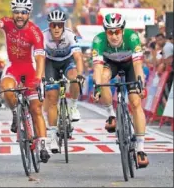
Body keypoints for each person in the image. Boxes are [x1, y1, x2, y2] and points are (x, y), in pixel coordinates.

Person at [0, 0, 49, 163]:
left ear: (28, 14)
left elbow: (41, 58)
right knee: (5, 88)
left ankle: (43, 144)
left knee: (36, 110)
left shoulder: (35, 32)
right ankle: (15, 113)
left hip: (30, 69)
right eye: (16, 12)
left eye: (23, 12)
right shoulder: (8, 23)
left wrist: (38, 78)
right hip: (13, 66)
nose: (19, 15)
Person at [92, 13, 149, 168]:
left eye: (117, 31)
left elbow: (138, 65)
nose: (114, 35)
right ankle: (111, 114)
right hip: (111, 64)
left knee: (135, 102)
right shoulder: (98, 40)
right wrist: (97, 86)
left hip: (130, 65)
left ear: (123, 30)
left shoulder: (132, 37)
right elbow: (97, 68)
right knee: (103, 78)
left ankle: (141, 148)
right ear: (105, 32)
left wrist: (140, 84)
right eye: (110, 32)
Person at [42, 10, 84, 153]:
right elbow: (39, 59)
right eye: (54, 25)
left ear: (63, 25)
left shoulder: (70, 35)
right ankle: (53, 137)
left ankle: (72, 106)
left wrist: (80, 74)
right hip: (50, 65)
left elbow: (78, 57)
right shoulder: (43, 37)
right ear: (50, 26)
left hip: (67, 62)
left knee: (75, 77)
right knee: (52, 99)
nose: (57, 28)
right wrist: (40, 77)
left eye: (59, 25)